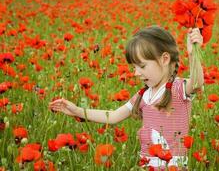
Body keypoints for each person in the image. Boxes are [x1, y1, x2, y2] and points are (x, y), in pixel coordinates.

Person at [49, 25, 204, 170]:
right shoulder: (143, 95)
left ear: (164, 59)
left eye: (142, 66)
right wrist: (76, 110)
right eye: (134, 67)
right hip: (146, 165)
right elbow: (113, 116)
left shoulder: (178, 88)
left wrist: (193, 54)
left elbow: (196, 83)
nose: (136, 73)